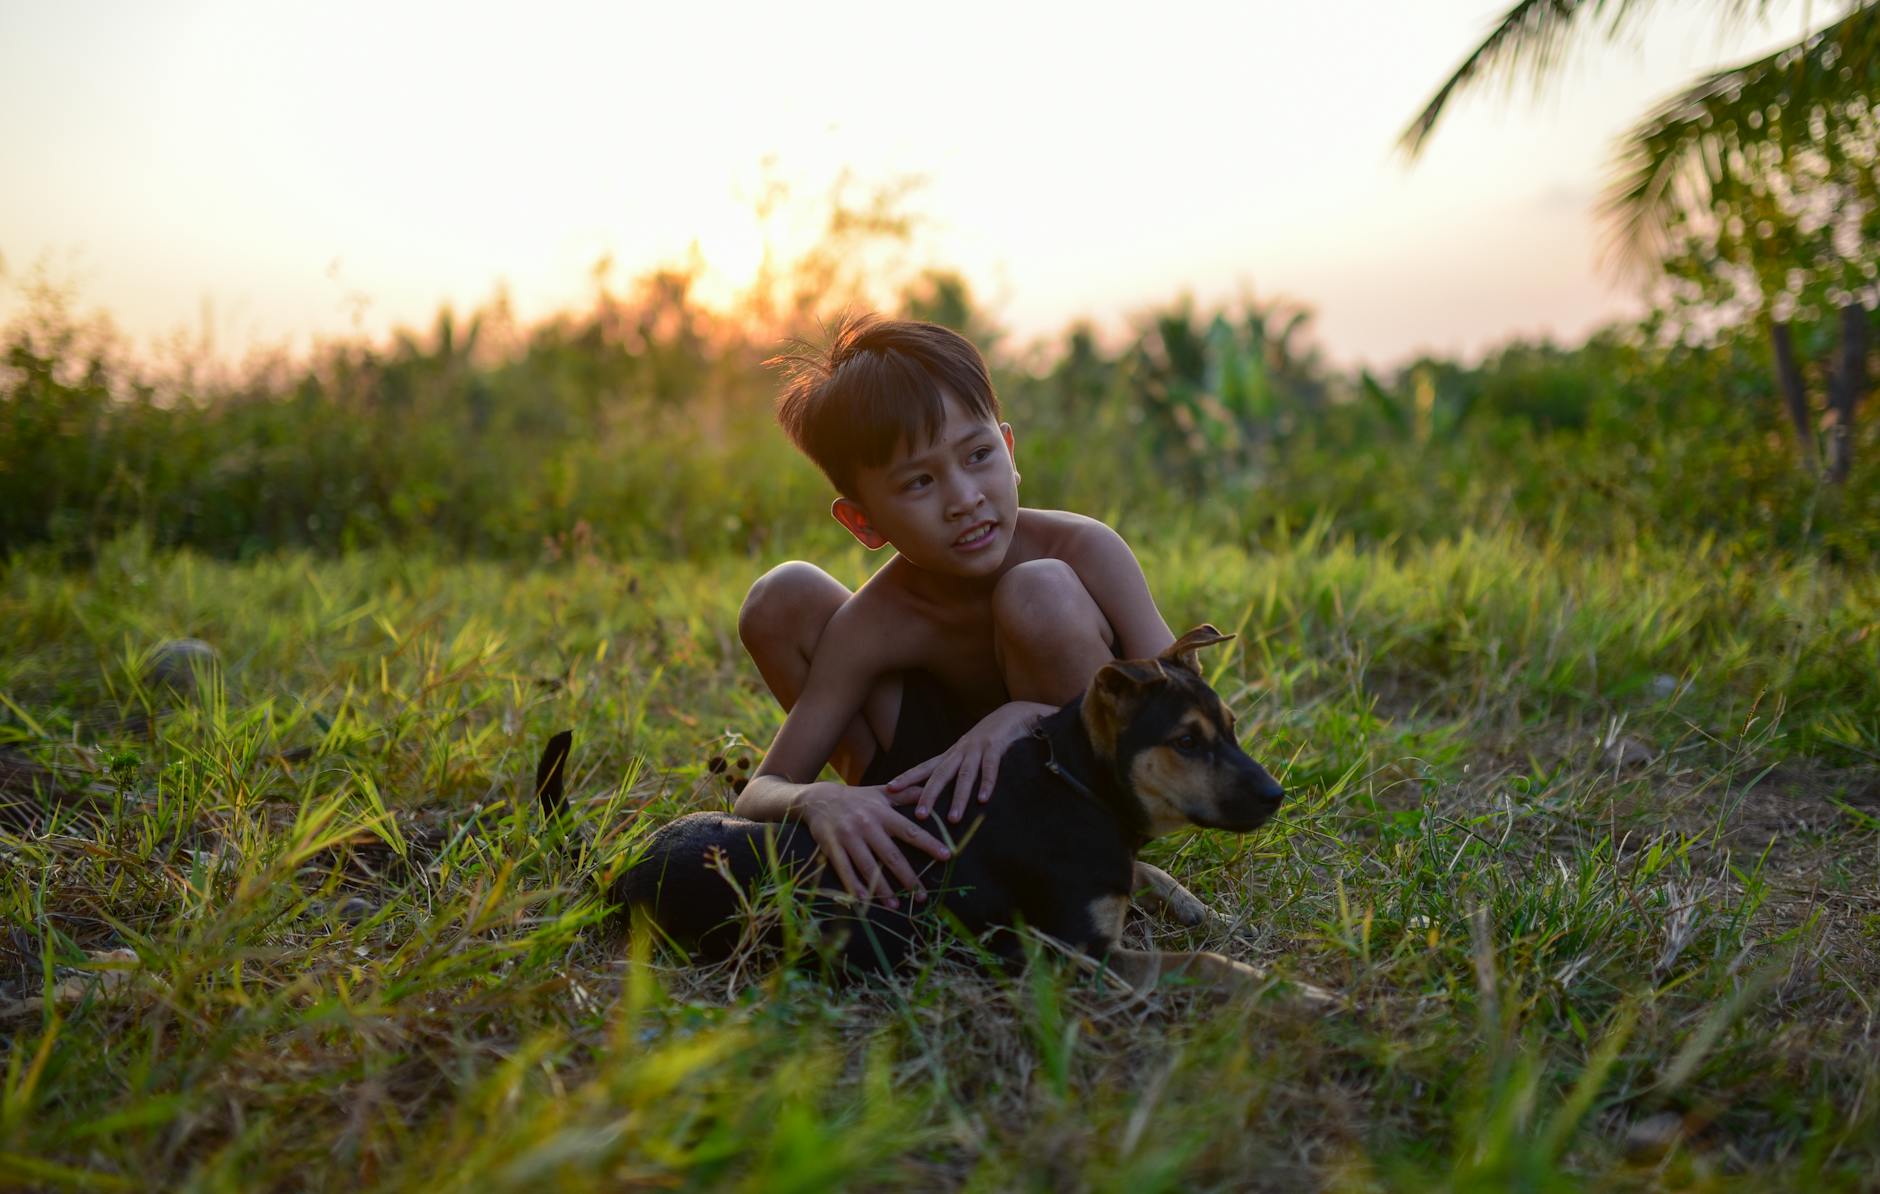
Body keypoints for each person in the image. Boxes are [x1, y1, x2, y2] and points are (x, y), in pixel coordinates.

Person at [734, 313, 1179, 909]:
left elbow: (1182, 711)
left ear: (1009, 448)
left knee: (1037, 591)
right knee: (780, 595)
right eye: (918, 483)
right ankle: (921, 847)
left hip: (1087, 783)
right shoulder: (878, 621)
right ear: (864, 522)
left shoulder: (1082, 550)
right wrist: (819, 801)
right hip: (940, 805)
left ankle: (1096, 852)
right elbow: (762, 790)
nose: (964, 500)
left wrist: (1027, 718)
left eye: (977, 455)